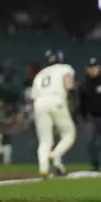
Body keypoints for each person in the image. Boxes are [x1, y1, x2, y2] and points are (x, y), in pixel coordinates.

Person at [30, 50, 77, 178]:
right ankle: (55, 154)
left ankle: (43, 168)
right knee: (69, 134)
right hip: (56, 100)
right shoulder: (64, 68)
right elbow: (69, 85)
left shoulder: (40, 74)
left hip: (39, 103)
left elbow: (32, 97)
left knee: (44, 140)